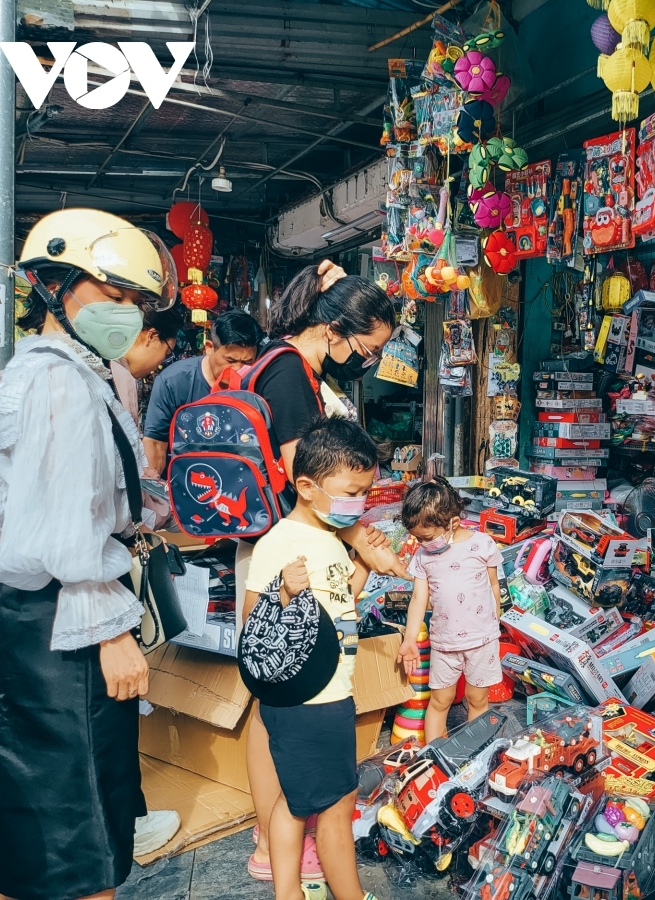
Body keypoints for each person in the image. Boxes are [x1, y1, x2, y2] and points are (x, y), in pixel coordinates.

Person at [0, 208, 177, 900]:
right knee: (80, 838)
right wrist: (109, 630)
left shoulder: (66, 372)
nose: (127, 314)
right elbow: (62, 527)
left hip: (44, 618)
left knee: (47, 822)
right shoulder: (60, 379)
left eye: (135, 302)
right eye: (114, 295)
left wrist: (146, 504)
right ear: (55, 286)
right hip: (66, 621)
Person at [242, 262, 403, 882]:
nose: (369, 359)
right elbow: (298, 473)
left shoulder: (293, 366)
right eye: (369, 346)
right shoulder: (288, 371)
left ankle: (281, 831)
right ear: (336, 328)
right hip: (287, 553)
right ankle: (277, 834)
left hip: (296, 552)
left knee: (276, 702)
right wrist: (369, 544)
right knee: (276, 697)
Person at [243, 417, 381, 900]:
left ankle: (289, 893)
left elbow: (341, 602)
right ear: (305, 486)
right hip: (311, 698)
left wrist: (363, 565)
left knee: (298, 803)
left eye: (366, 492)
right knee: (335, 806)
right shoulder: (279, 544)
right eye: (352, 492)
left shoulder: (328, 539)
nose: (359, 505)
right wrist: (283, 593)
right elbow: (253, 628)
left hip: (327, 691)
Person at [398, 478, 503, 742]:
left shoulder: (482, 544)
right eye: (417, 538)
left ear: (453, 523)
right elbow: (418, 600)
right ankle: (435, 755)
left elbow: (494, 586)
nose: (423, 543)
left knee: (477, 698)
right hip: (444, 643)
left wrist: (495, 624)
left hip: (482, 640)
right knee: (440, 700)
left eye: (427, 537)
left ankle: (477, 752)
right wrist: (410, 639)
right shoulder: (422, 557)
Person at [142, 309, 263, 474]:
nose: (238, 369)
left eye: (247, 361)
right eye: (230, 360)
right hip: (187, 478)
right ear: (209, 347)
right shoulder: (174, 381)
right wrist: (153, 482)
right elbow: (155, 442)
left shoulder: (257, 382)